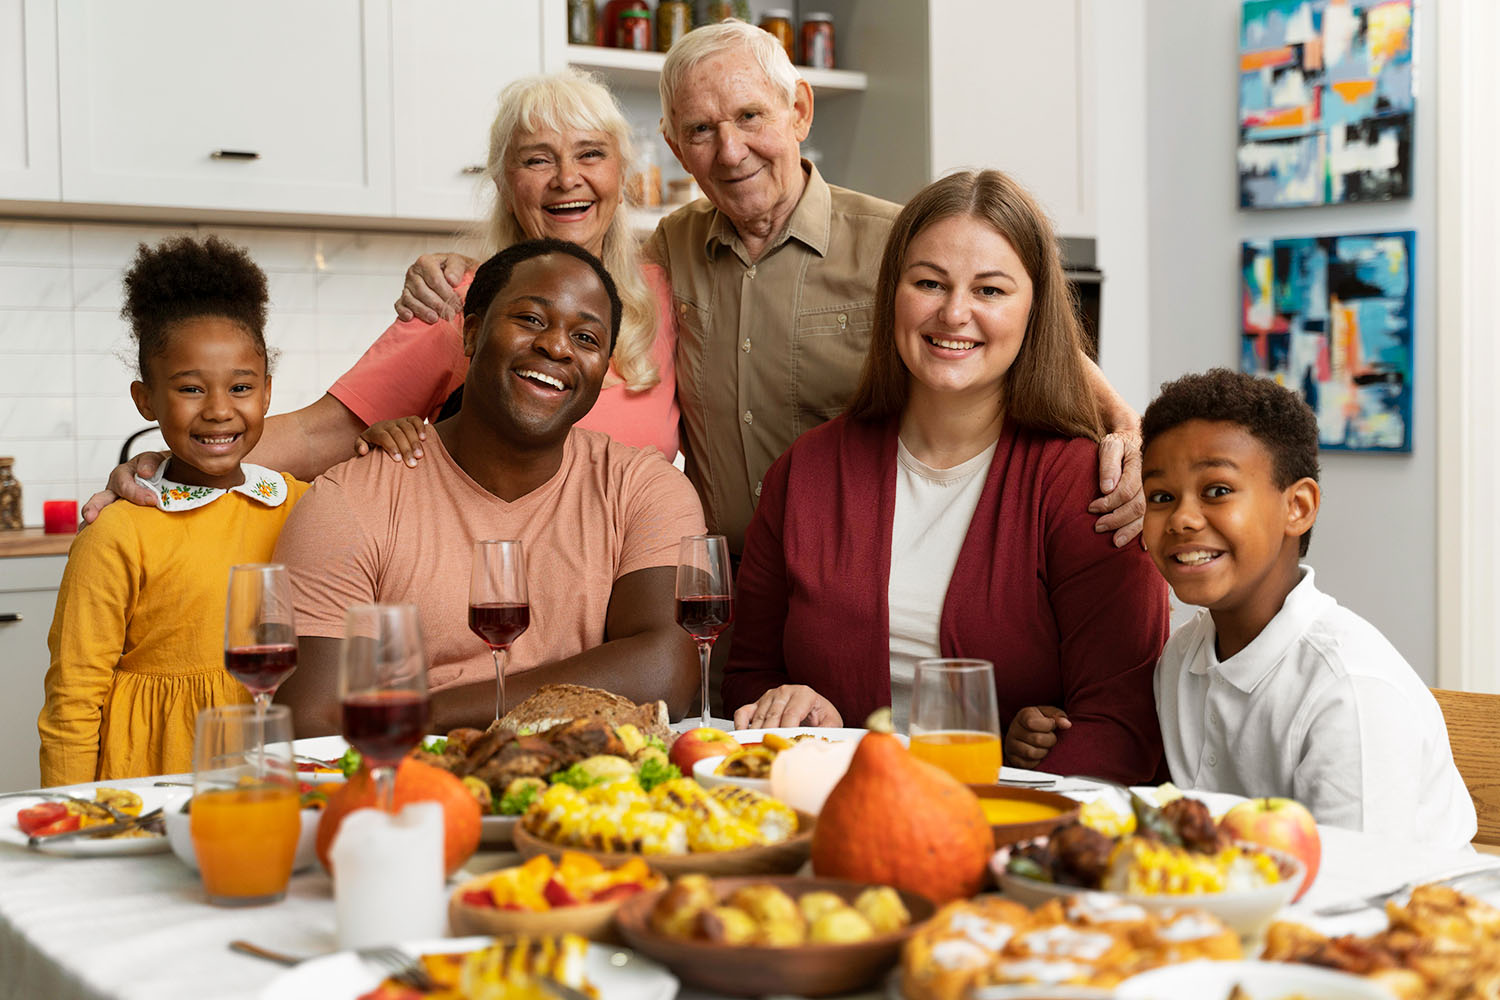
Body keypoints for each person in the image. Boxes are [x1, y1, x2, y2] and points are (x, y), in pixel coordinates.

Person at [393, 20, 1147, 555]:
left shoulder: (898, 244)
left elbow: (1027, 344)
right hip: (720, 587)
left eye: (751, 116)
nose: (730, 151)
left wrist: (1127, 430)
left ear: (799, 111)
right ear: (674, 145)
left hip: (864, 575)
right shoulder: (667, 255)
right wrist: (451, 273)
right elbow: (568, 254)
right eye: (699, 131)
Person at [721, 171, 1169, 786]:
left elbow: (1121, 724)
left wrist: (984, 828)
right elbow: (749, 677)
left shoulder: (1088, 487)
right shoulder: (806, 472)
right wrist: (794, 707)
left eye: (990, 290)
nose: (954, 313)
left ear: (1034, 309)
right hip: (822, 815)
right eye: (929, 283)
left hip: (1009, 840)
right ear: (892, 295)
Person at [82, 69, 678, 521]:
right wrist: (172, 473)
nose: (566, 178)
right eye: (537, 159)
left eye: (590, 154)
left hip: (638, 593)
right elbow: (322, 435)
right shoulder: (457, 302)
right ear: (504, 183)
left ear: (622, 175)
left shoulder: (668, 294)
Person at [273, 240, 704, 736]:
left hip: (592, 798)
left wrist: (418, 714)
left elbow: (666, 671)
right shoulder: (351, 499)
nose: (558, 347)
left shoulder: (644, 489)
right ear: (472, 332)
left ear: (603, 368)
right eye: (532, 320)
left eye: (586, 338)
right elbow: (310, 723)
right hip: (416, 793)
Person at [1141, 368, 1475, 847]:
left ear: (1297, 507)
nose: (1183, 518)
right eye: (1161, 497)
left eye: (1217, 490)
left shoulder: (1349, 691)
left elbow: (1357, 884)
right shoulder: (1181, 658)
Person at [39, 237, 308, 785]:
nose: (218, 410)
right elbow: (72, 696)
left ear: (267, 394)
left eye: (240, 387)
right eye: (189, 388)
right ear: (146, 400)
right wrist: (72, 816)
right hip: (153, 777)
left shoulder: (301, 505)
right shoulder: (117, 532)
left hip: (273, 773)